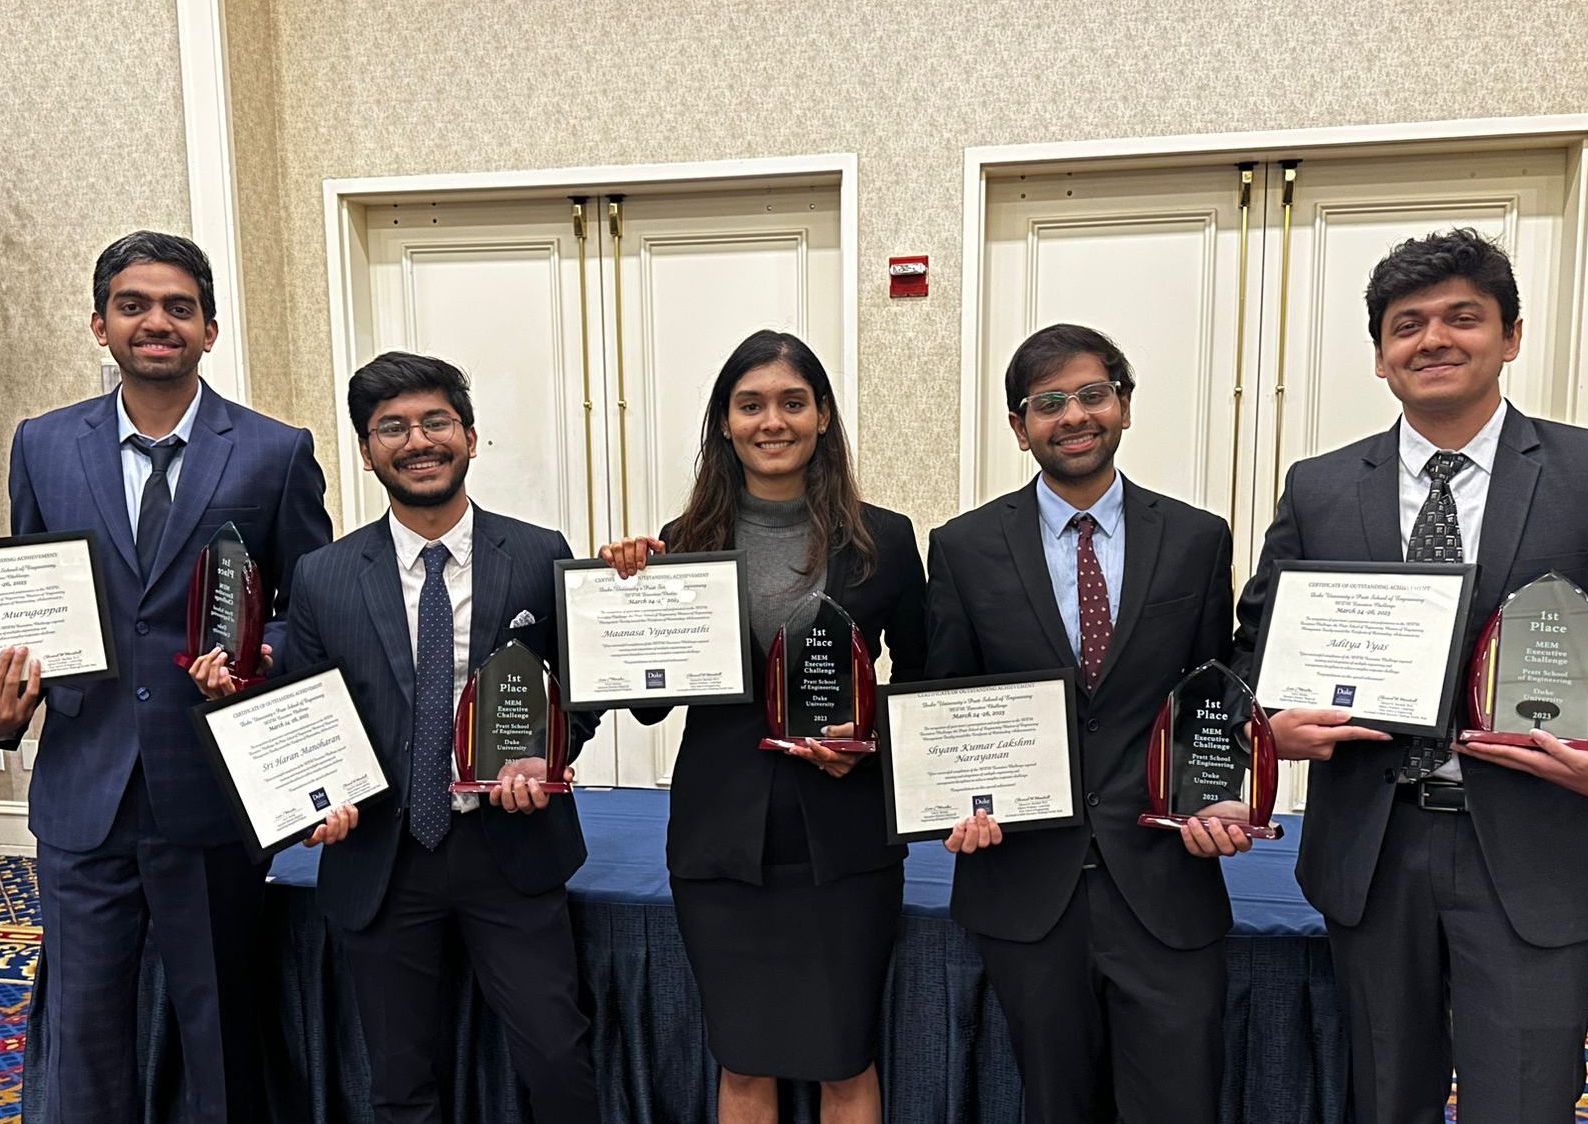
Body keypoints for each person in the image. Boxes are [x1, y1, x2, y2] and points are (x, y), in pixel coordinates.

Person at [1231, 228, 1588, 1123]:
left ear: (1512, 336)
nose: (1434, 340)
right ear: (1380, 356)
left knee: (1522, 1104)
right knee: (1383, 1098)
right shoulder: (1321, 488)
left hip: (1539, 850)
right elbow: (1253, 653)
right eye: (1407, 325)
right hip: (1372, 853)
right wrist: (1267, 726)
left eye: (1464, 317)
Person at [0, 231, 333, 1122]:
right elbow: (28, 593)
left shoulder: (274, 451)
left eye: (179, 307)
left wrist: (260, 654)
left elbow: (310, 603)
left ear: (210, 330)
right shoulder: (44, 445)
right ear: (101, 324)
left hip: (210, 785)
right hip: (84, 787)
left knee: (220, 1029)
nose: (156, 322)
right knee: (86, 1028)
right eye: (134, 305)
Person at [190, 351, 600, 1123]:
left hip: (510, 851)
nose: (418, 440)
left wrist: (548, 753)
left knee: (558, 1063)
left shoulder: (539, 552)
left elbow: (576, 695)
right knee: (401, 1081)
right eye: (393, 428)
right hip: (382, 855)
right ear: (369, 448)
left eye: (436, 421)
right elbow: (310, 709)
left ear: (470, 438)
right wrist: (318, 799)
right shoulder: (323, 574)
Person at [596, 330, 925, 1124]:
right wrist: (624, 597)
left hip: (846, 836)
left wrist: (869, 745)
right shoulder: (677, 545)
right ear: (724, 423)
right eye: (750, 405)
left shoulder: (886, 537)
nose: (771, 421)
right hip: (721, 838)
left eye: (791, 402)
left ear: (821, 419)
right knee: (743, 1061)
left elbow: (925, 684)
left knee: (848, 1058)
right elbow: (644, 702)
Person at [922, 322, 1242, 1123]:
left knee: (1180, 1105)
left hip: (1164, 876)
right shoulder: (963, 548)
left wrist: (1217, 794)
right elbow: (945, 697)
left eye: (1093, 395)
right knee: (1056, 1103)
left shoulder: (1197, 540)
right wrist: (951, 801)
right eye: (1049, 402)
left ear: (1124, 406)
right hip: (1027, 884)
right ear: (1018, 425)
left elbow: (1214, 696)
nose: (1074, 416)